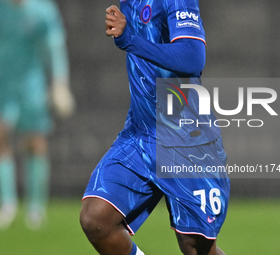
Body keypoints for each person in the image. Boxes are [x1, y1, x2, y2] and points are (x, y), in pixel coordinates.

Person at [80, 1, 229, 255]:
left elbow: (193, 57)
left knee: (196, 247)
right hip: (140, 134)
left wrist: (131, 40)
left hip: (186, 140)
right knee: (97, 219)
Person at [0, 0, 75, 229]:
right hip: (0, 85)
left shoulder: (43, 11)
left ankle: (35, 207)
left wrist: (59, 82)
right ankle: (7, 204)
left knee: (34, 142)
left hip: (31, 87)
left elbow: (54, 47)